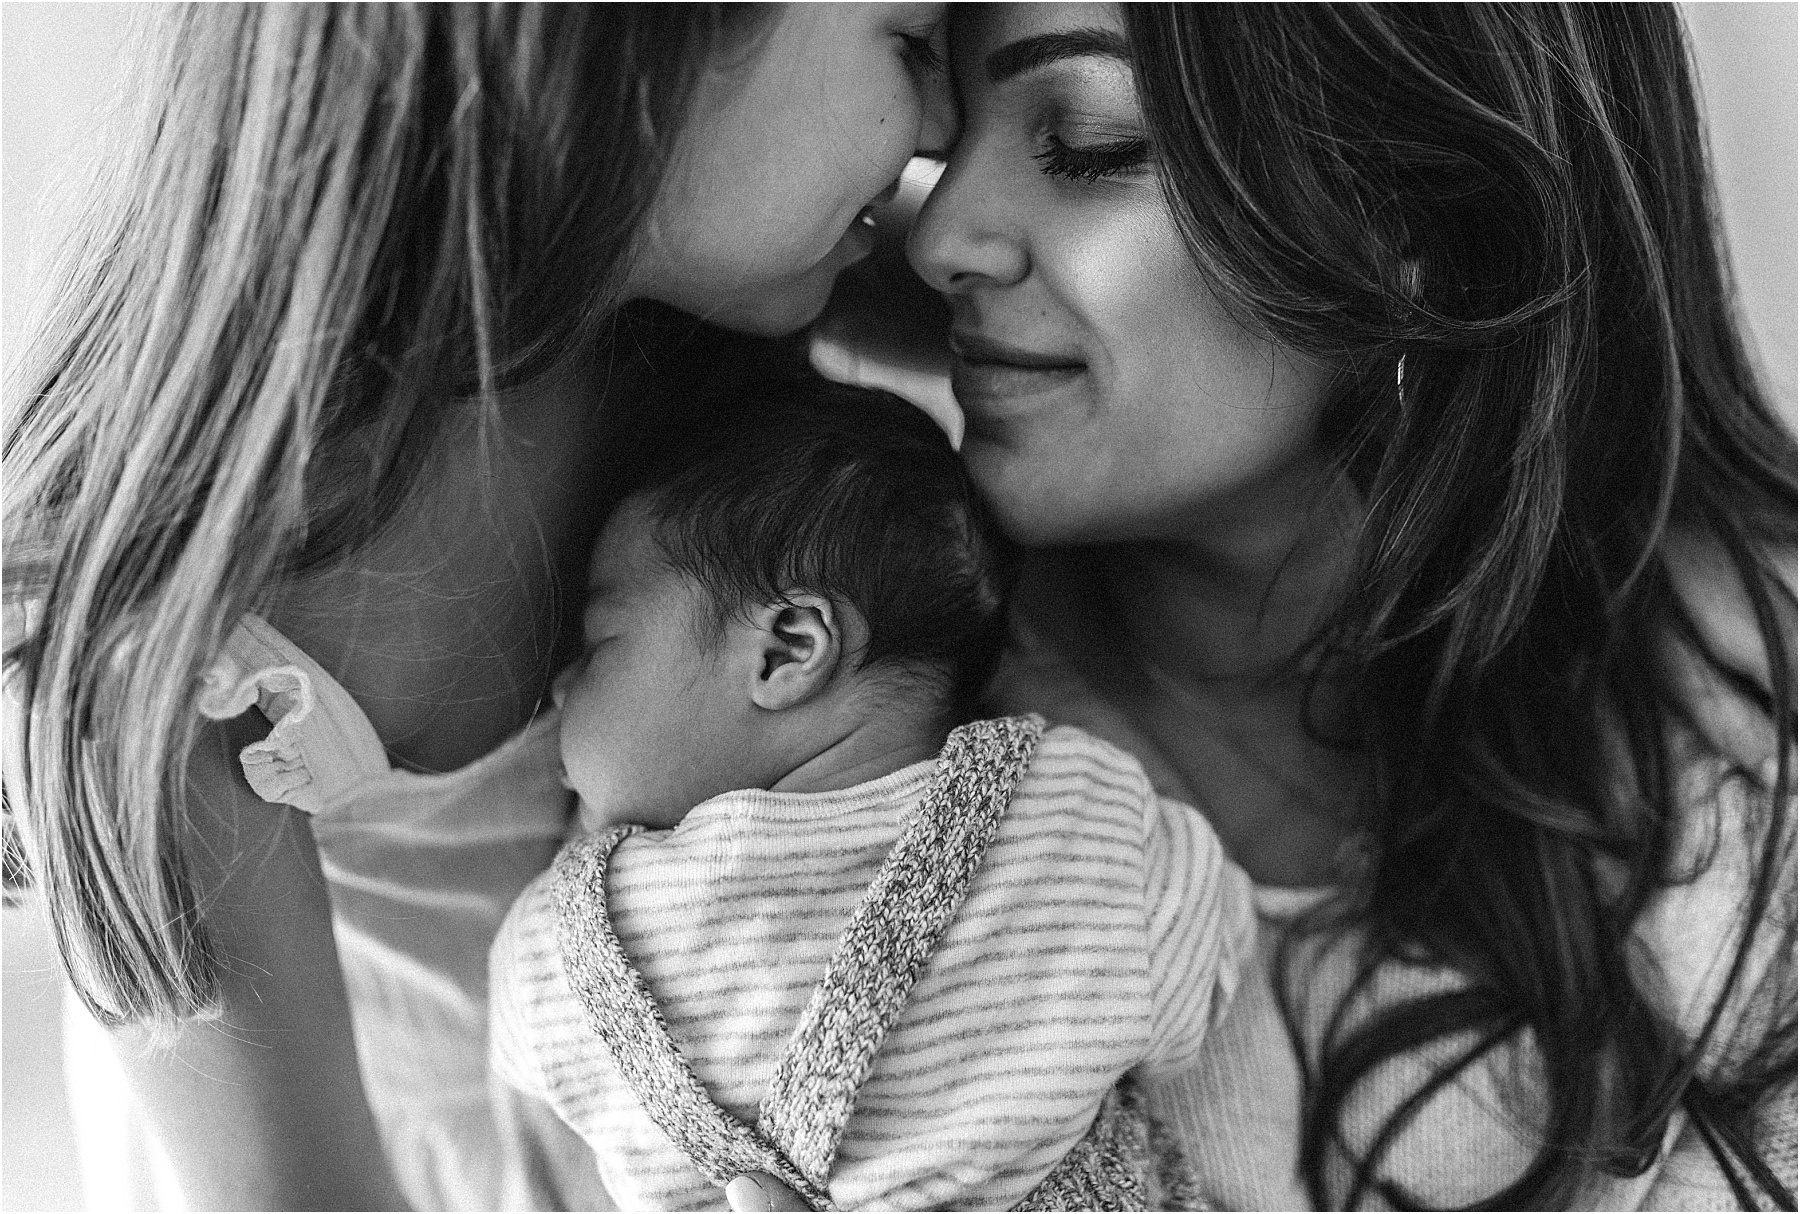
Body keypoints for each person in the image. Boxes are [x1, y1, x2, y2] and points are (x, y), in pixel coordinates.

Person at [728, 4, 1794, 1211]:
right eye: (952, 136)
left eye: (1083, 141)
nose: (942, 240)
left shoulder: (1751, 734)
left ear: (1415, 217)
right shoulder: (828, 758)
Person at [1, 5, 955, 1210]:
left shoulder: (701, 317)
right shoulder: (183, 629)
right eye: (912, 45)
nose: (943, 125)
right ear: (645, 44)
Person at [487, 363, 1253, 1210]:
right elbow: (1203, 976)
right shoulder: (1086, 817)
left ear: (786, 651)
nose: (557, 694)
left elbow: (519, 1073)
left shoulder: (565, 955)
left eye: (598, 646)